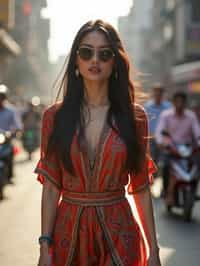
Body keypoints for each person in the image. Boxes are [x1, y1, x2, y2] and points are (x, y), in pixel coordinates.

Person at [35, 20, 161, 266]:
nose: (95, 60)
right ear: (76, 61)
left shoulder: (134, 117)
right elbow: (50, 188)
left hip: (120, 235)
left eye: (105, 54)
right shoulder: (54, 117)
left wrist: (154, 251)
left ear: (115, 62)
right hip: (67, 236)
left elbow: (141, 188)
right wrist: (44, 248)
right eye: (86, 52)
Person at [155, 91, 200, 204]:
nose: (179, 104)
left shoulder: (191, 116)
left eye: (182, 102)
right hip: (171, 149)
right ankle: (166, 191)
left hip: (188, 149)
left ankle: (194, 190)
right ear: (173, 102)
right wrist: (162, 142)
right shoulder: (166, 115)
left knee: (198, 164)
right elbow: (159, 132)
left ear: (185, 103)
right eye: (177, 101)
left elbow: (197, 132)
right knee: (165, 166)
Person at [0, 84, 22, 183]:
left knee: (10, 153)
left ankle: (10, 175)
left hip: (6, 140)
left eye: (2, 97)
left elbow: (17, 125)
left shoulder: (11, 110)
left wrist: (13, 132)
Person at [144, 84, 172, 164]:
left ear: (163, 93)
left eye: (160, 92)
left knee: (166, 161)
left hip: (165, 139)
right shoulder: (147, 106)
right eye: (156, 92)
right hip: (151, 138)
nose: (158, 94)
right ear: (153, 93)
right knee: (152, 160)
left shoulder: (168, 106)